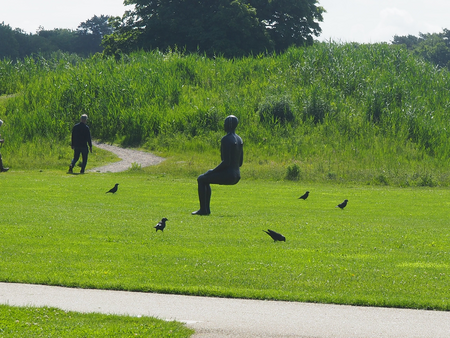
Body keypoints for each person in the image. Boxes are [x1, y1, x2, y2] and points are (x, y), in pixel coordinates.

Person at [192, 115, 243, 216]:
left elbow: (226, 162)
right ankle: (205, 210)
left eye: (225, 123)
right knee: (206, 179)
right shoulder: (240, 139)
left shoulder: (226, 139)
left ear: (228, 125)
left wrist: (213, 171)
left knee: (201, 179)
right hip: (237, 175)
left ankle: (204, 210)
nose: (223, 125)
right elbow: (240, 162)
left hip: (229, 175)